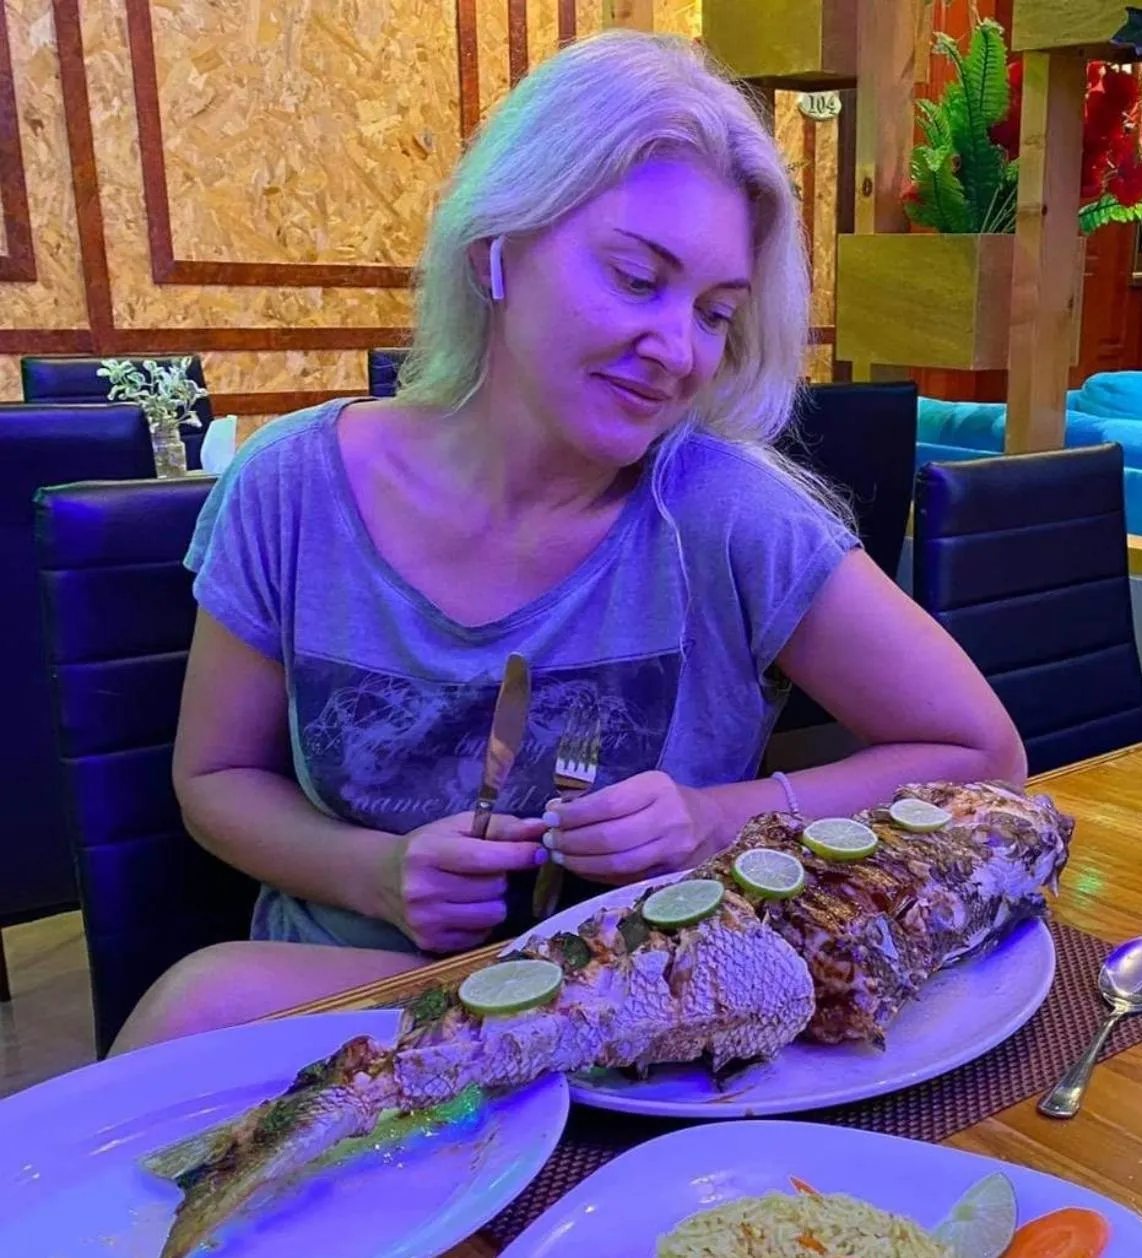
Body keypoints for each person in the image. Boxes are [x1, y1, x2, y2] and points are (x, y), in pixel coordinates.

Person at [118, 33, 1026, 1052]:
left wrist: (712, 817)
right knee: (186, 1014)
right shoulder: (289, 487)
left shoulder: (727, 512)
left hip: (634, 1018)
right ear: (495, 250)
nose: (679, 351)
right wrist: (371, 872)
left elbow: (983, 755)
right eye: (638, 279)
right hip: (351, 993)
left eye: (715, 313)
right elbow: (215, 781)